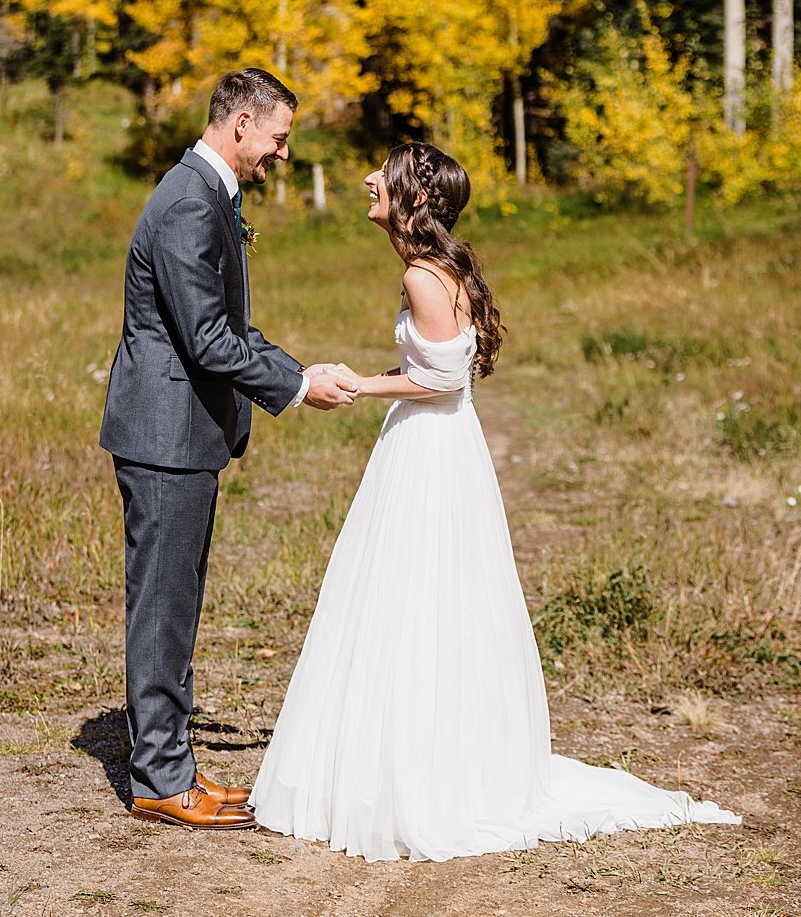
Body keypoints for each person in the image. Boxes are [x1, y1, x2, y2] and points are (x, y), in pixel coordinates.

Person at [250, 141, 739, 861]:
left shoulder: (423, 273)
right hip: (436, 443)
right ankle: (417, 751)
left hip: (431, 446)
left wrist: (359, 382)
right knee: (421, 596)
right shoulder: (434, 268)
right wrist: (384, 375)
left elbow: (443, 380)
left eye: (380, 174)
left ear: (413, 196)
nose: (366, 179)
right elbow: (438, 364)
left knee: (417, 594)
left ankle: (420, 772)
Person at [99, 68, 360, 830]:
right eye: (279, 139)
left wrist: (296, 367)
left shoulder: (208, 192)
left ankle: (171, 761)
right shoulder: (187, 200)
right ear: (241, 124)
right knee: (162, 605)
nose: (282, 155)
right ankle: (158, 781)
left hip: (182, 434)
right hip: (164, 436)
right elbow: (208, 337)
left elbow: (220, 324)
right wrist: (296, 384)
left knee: (179, 602)